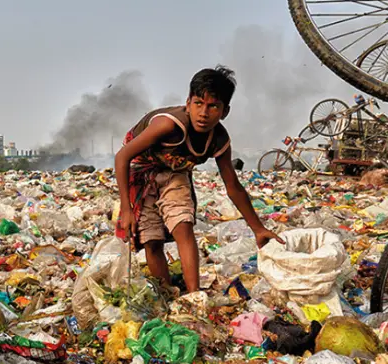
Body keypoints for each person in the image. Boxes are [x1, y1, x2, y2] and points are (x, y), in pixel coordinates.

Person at [114, 65, 283, 293]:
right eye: (198, 104)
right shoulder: (167, 125)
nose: (204, 113)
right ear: (188, 103)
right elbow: (123, 157)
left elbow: (232, 186)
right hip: (140, 168)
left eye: (213, 106)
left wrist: (258, 229)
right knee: (151, 239)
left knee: (184, 227)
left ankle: (193, 297)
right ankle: (167, 294)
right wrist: (126, 208)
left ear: (225, 111)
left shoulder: (218, 140)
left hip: (175, 172)